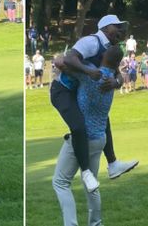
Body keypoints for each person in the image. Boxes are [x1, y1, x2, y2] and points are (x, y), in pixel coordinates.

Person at [51, 15, 139, 193]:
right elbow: (66, 59)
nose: (121, 31)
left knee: (103, 118)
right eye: (117, 26)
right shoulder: (91, 41)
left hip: (77, 88)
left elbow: (118, 75)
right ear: (106, 28)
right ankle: (86, 173)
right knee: (78, 128)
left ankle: (113, 163)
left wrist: (116, 83)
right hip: (63, 90)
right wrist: (88, 71)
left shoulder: (110, 49)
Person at [53, 45, 124, 226]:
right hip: (100, 139)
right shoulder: (112, 80)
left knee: (60, 182)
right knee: (91, 186)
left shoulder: (92, 74)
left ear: (103, 57)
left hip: (83, 140)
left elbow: (61, 62)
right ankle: (96, 223)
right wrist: (118, 78)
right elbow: (118, 75)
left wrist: (77, 58)